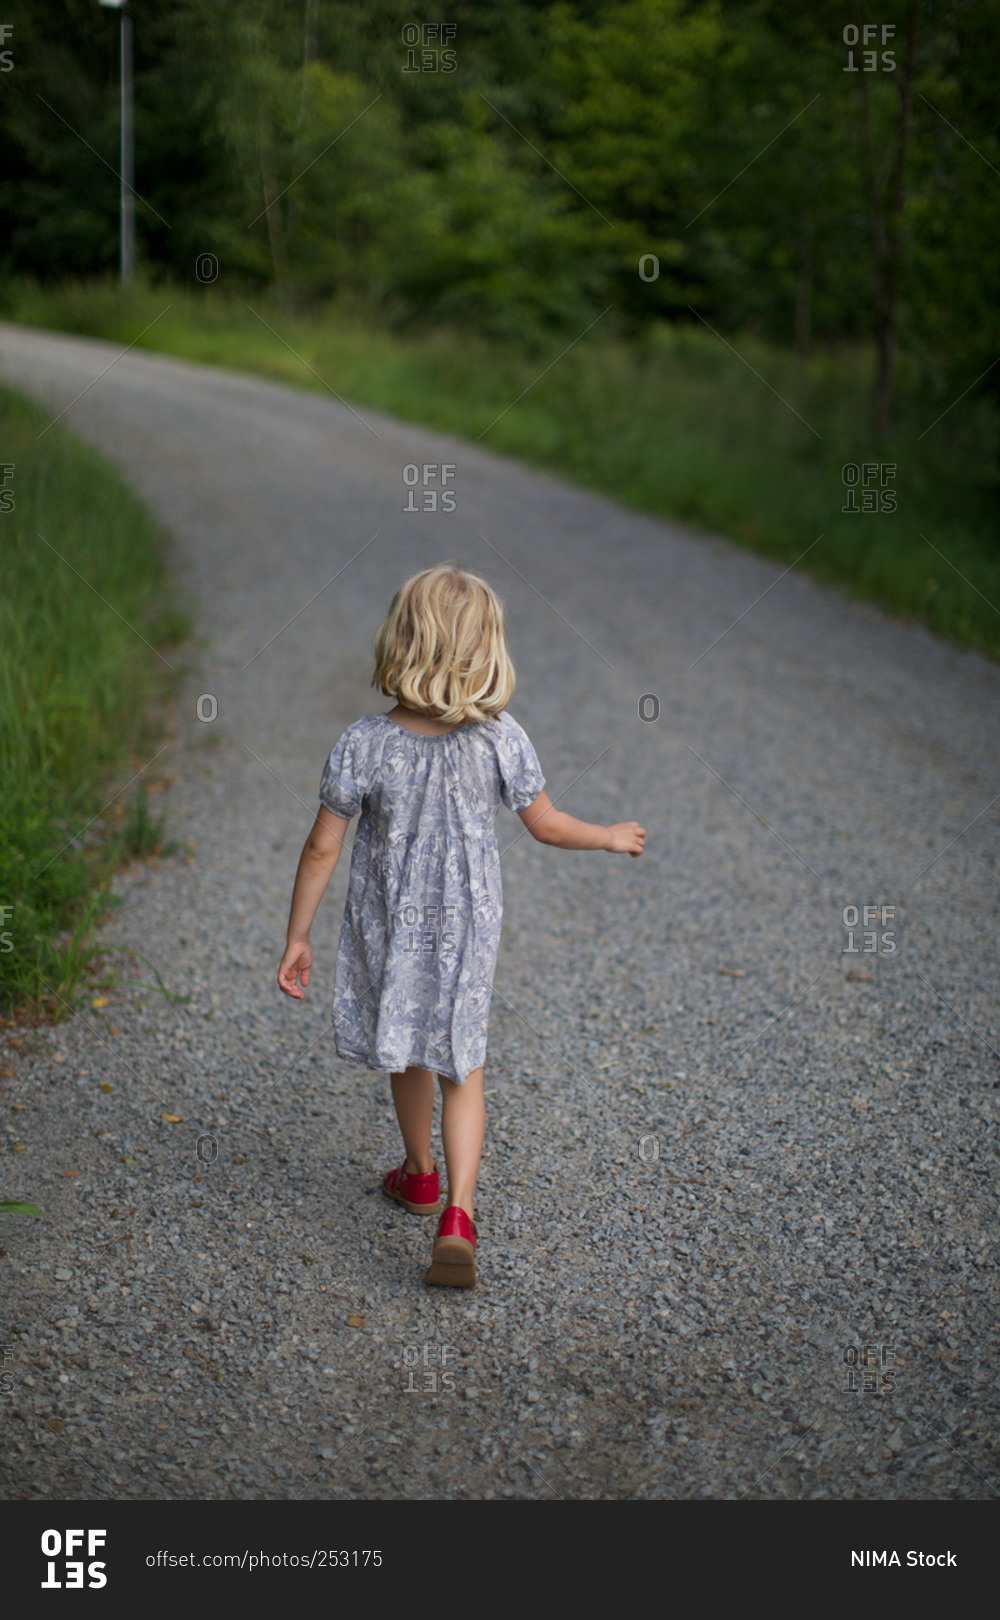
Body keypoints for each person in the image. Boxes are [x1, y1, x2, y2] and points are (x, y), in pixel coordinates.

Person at [277, 562, 644, 1288]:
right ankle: (459, 1214)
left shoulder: (364, 742)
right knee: (461, 1063)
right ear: (488, 654)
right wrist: (606, 835)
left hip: (391, 929)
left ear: (401, 643)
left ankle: (418, 1174)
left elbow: (324, 845)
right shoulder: (500, 739)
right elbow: (547, 825)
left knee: (409, 1050)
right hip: (467, 935)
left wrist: (297, 935)